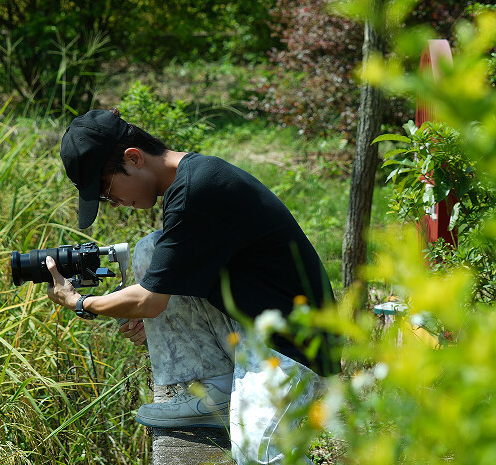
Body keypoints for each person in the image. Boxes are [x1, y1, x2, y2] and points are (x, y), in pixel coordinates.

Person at [42, 108, 336, 464]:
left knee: (259, 454)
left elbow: (149, 301)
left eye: (105, 190)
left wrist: (80, 303)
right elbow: (161, 289)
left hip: (295, 345)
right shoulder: (191, 181)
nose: (112, 203)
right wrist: (158, 323)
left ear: (133, 159)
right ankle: (213, 386)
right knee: (152, 250)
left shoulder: (198, 190)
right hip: (254, 325)